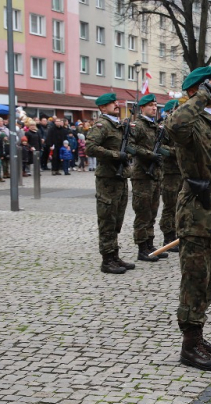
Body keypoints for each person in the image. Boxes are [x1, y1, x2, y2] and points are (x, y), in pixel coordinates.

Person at [163, 66, 211, 371]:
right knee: (195, 280)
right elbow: (174, 126)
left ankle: (199, 336)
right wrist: (200, 96)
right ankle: (189, 346)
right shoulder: (189, 121)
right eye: (210, 87)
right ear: (195, 90)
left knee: (209, 280)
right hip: (198, 210)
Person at [85, 93, 137, 275]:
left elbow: (128, 146)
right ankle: (107, 260)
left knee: (117, 219)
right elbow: (90, 148)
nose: (116, 105)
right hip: (107, 179)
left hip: (120, 178)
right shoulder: (102, 125)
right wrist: (116, 155)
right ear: (102, 108)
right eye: (111, 103)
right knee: (107, 219)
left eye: (116, 102)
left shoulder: (117, 124)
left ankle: (114, 256)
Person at [129, 93, 169, 263]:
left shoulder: (156, 126)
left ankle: (150, 245)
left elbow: (164, 144)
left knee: (152, 212)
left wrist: (164, 153)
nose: (154, 108)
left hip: (156, 174)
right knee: (143, 212)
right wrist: (149, 155)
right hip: (142, 174)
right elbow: (130, 147)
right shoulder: (136, 125)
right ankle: (141, 247)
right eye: (151, 105)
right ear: (142, 108)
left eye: (155, 105)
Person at [158, 100, 180, 252]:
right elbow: (160, 147)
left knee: (179, 206)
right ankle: (168, 236)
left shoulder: (179, 126)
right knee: (170, 206)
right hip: (169, 173)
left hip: (181, 172)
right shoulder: (164, 128)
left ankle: (177, 235)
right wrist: (176, 152)